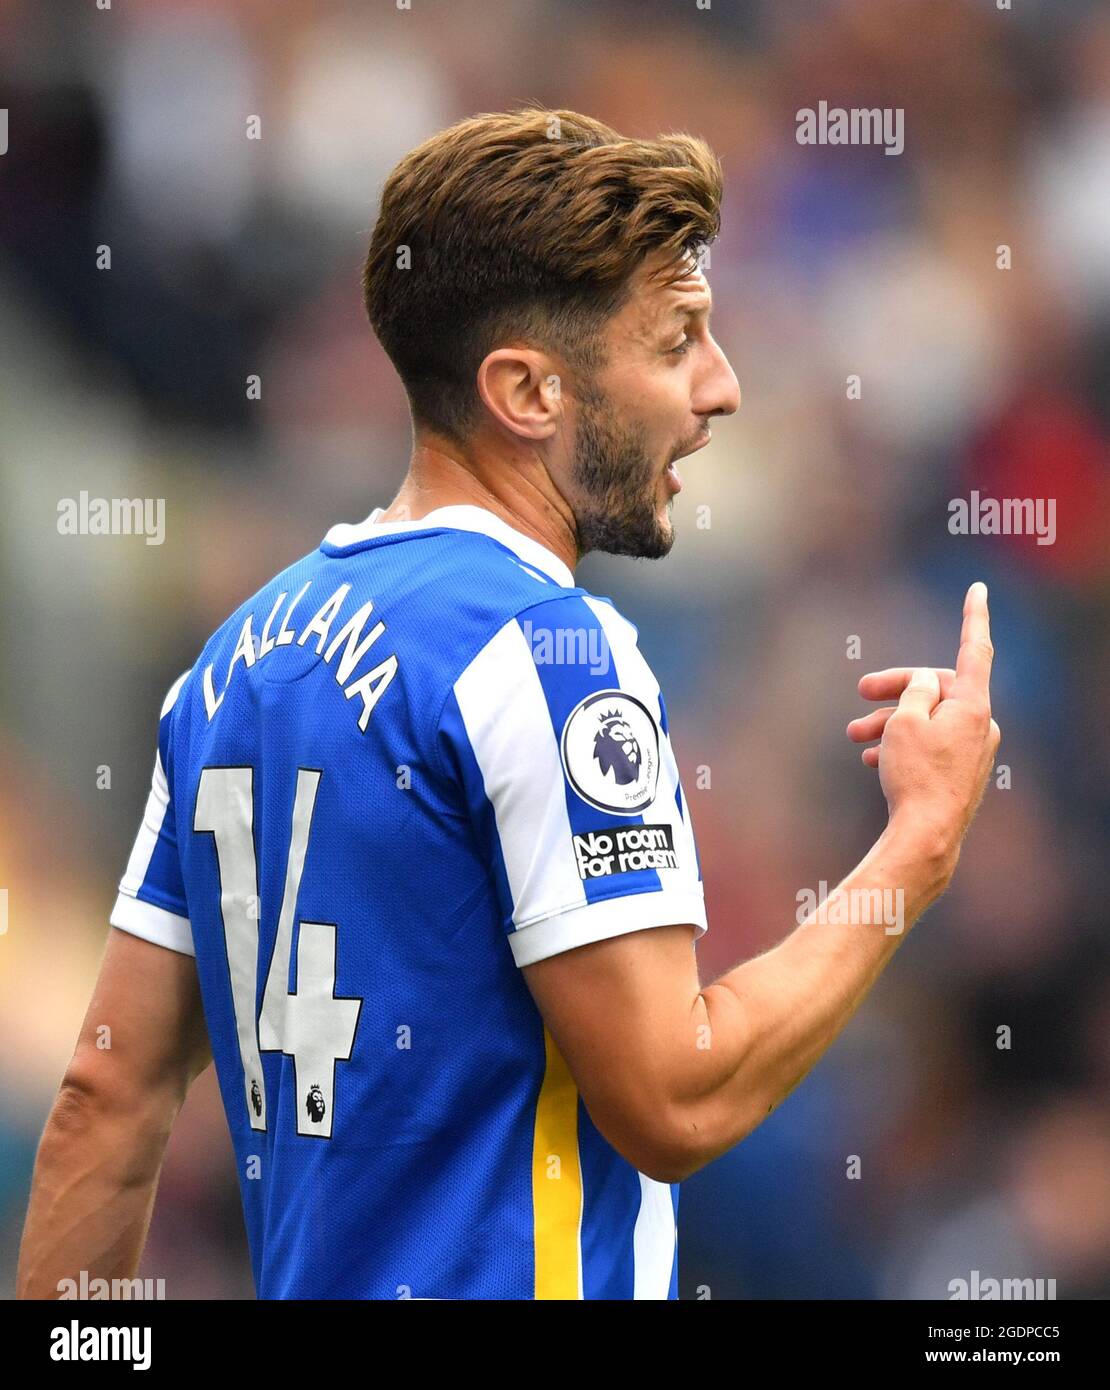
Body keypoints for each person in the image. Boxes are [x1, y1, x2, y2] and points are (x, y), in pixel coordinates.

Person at [17, 108, 1000, 1300]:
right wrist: (919, 844)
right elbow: (674, 1097)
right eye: (678, 339)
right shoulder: (547, 655)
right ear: (527, 390)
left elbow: (106, 1098)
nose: (722, 387)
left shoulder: (233, 662)